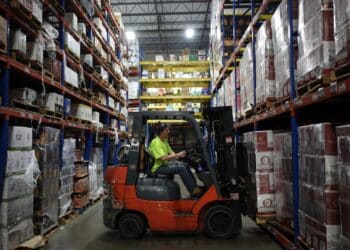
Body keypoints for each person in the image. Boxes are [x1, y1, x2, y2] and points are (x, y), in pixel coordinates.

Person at [148, 123, 202, 198]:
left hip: (164, 164)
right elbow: (163, 158)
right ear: (161, 131)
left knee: (184, 164)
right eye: (167, 130)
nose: (169, 131)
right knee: (181, 168)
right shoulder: (156, 142)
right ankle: (192, 190)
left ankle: (195, 186)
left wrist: (179, 156)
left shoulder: (164, 140)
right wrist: (177, 155)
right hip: (158, 168)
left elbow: (171, 152)